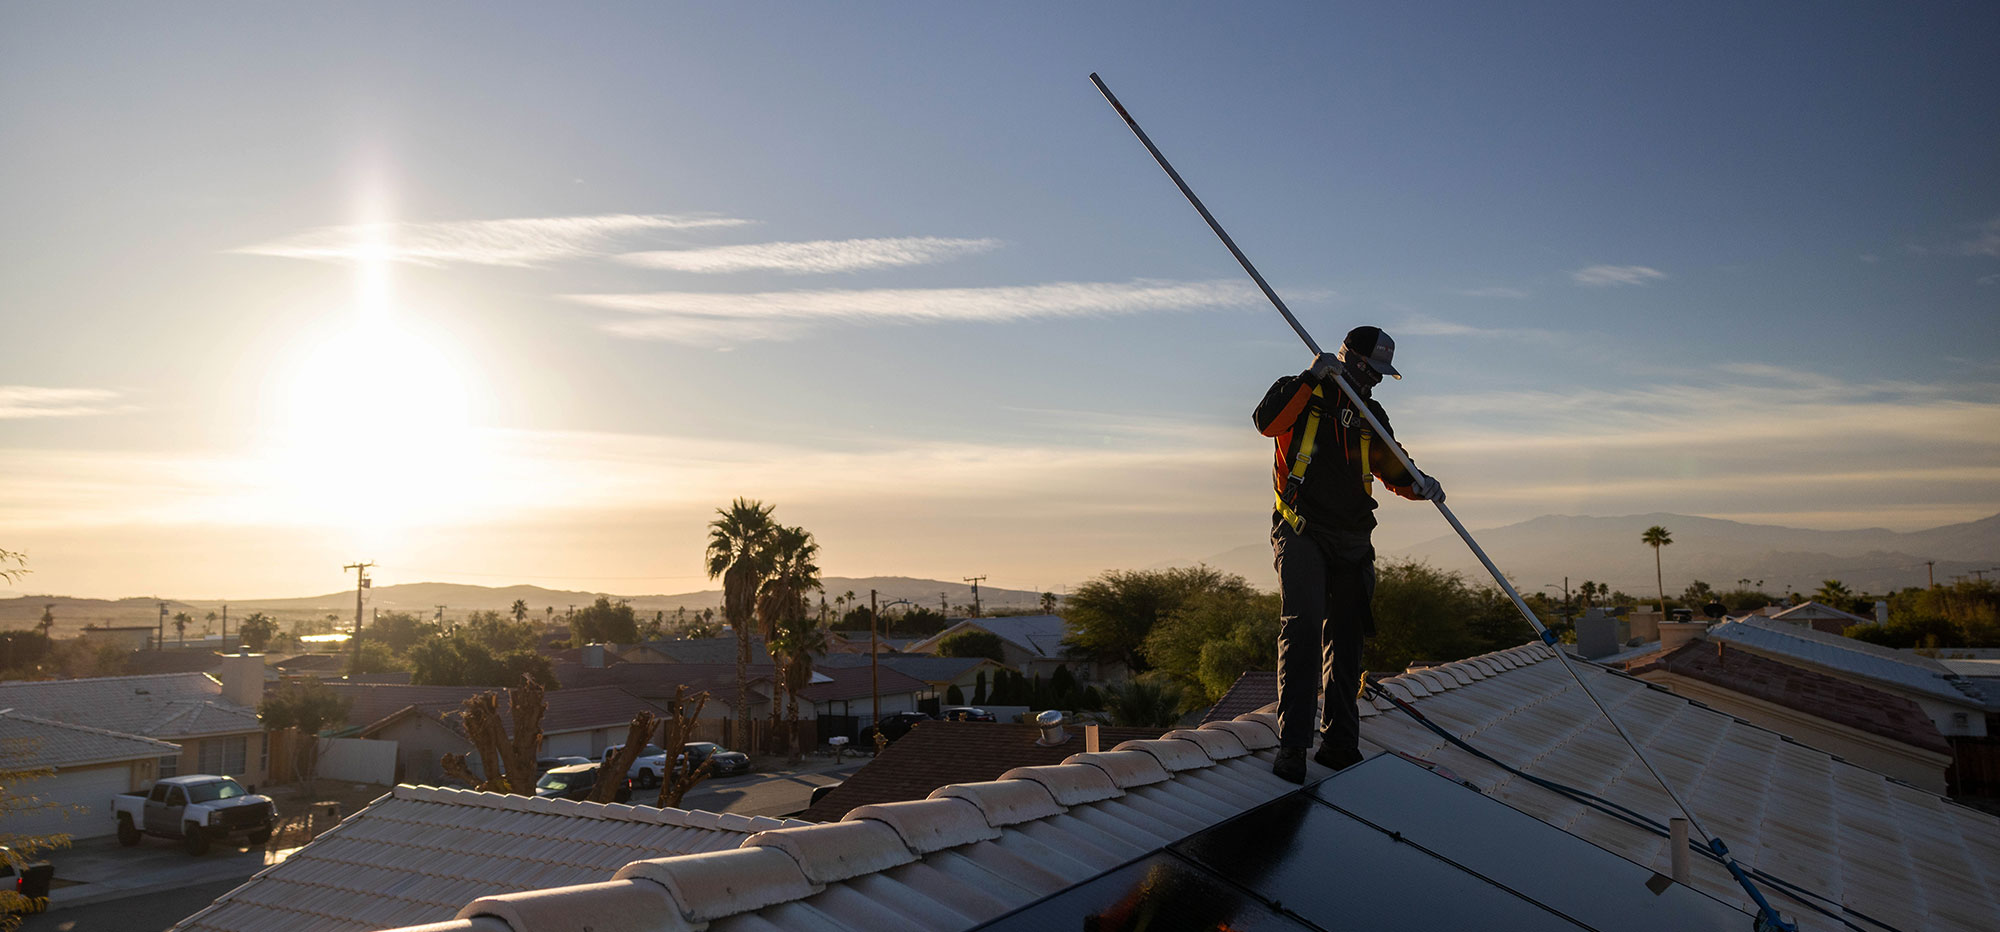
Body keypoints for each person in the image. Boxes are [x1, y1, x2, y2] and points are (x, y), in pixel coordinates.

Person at [1252, 326, 1443, 783]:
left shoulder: (1369, 413)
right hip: (1302, 530)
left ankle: (1339, 746)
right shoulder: (1302, 391)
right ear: (1351, 360)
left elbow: (1393, 467)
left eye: (1380, 375)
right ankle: (1293, 747)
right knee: (1302, 631)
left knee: (1347, 638)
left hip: (1354, 539)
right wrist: (1310, 375)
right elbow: (1267, 423)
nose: (1374, 381)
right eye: (1370, 370)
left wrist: (1421, 485)